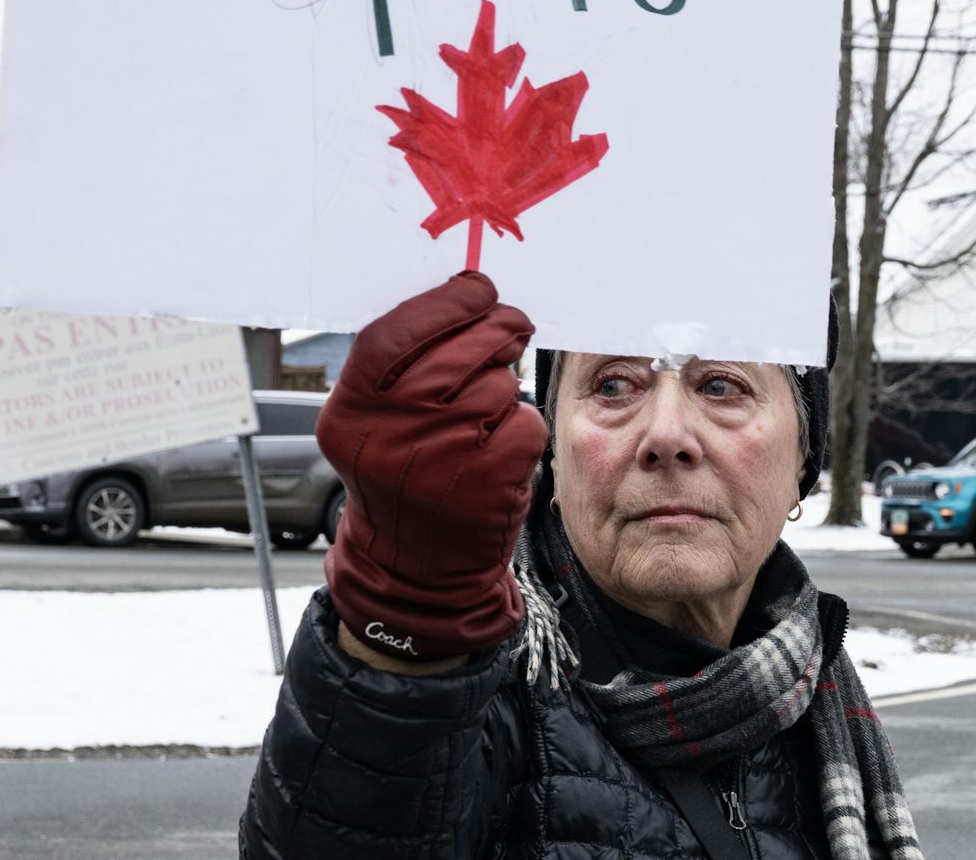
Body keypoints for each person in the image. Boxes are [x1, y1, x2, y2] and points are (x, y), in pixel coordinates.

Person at [239, 271, 922, 860]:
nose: (665, 436)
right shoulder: (478, 692)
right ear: (554, 455)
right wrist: (402, 608)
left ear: (802, 462)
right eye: (613, 384)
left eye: (721, 384)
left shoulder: (822, 704)